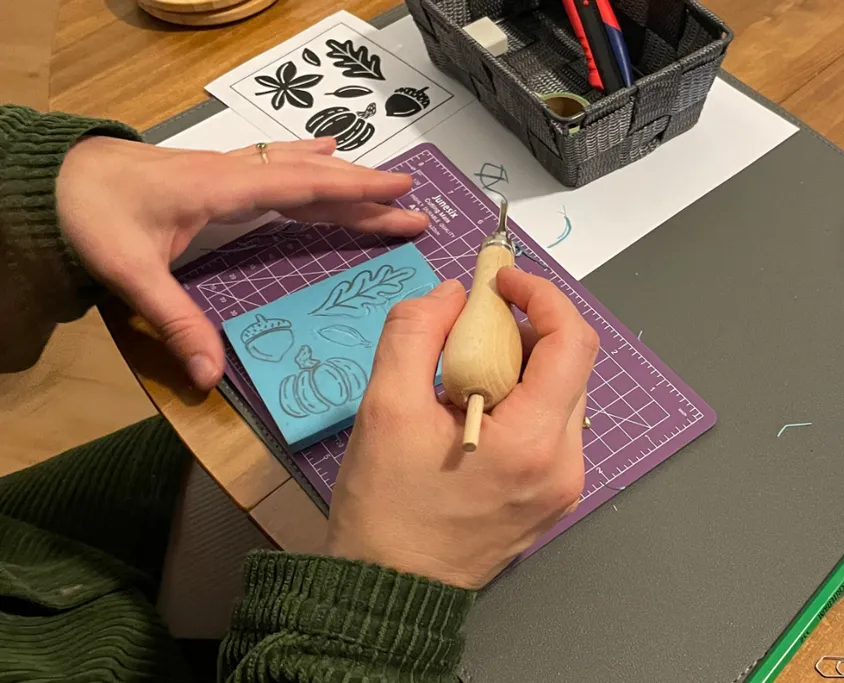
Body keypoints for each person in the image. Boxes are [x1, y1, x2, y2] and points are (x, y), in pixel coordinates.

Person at [0, 104, 598, 682]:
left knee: (211, 469)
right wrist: (388, 591)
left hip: (28, 558)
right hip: (102, 643)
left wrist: (40, 194)